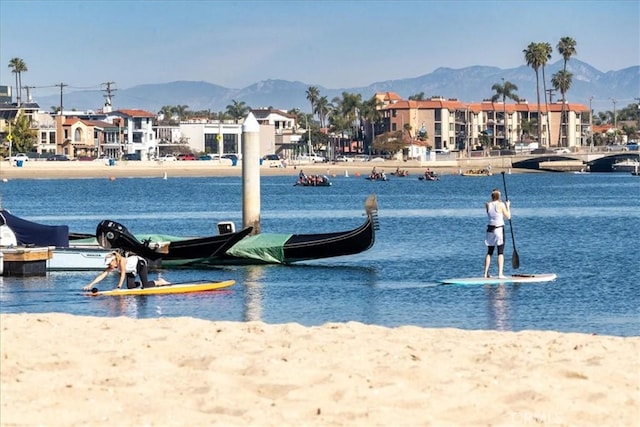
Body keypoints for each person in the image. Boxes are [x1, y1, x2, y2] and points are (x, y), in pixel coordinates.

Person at [83, 251, 169, 291]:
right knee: (130, 287)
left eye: (110, 264)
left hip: (140, 264)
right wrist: (90, 284)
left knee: (146, 286)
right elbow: (103, 275)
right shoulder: (113, 265)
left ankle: (159, 282)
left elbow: (123, 274)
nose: (109, 266)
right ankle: (140, 284)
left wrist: (118, 287)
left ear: (114, 261)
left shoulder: (122, 261)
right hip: (131, 270)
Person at [483, 188, 511, 279]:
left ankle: (485, 273)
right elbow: (508, 217)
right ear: (499, 196)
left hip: (490, 230)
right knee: (500, 252)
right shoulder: (501, 204)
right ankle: (500, 274)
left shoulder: (487, 205)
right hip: (499, 230)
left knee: (489, 252)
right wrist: (508, 206)